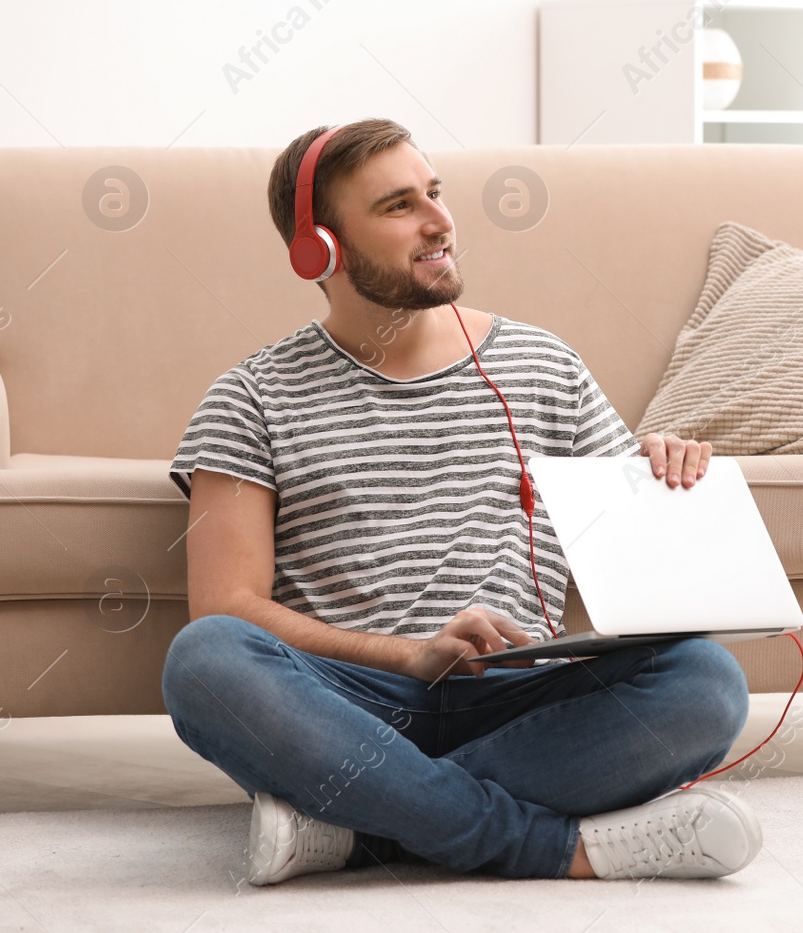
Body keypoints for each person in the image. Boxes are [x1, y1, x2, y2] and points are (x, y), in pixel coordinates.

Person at [161, 119, 762, 886]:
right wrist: (408, 654)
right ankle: (543, 844)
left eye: (436, 193)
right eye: (399, 205)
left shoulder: (546, 364)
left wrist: (663, 475)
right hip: (349, 705)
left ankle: (361, 827)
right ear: (320, 249)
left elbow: (642, 570)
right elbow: (226, 606)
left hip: (519, 694)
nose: (440, 220)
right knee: (204, 661)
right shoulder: (249, 397)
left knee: (706, 682)